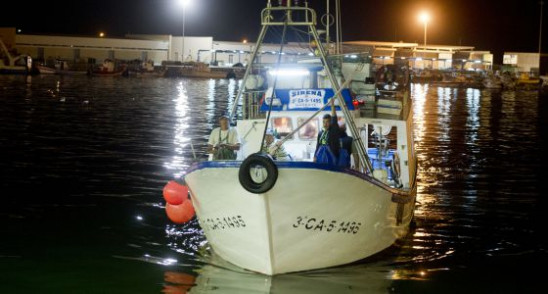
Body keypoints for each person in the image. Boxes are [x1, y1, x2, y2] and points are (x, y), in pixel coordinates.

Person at [314, 99, 340, 165]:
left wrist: (332, 105)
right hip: (320, 157)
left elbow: (334, 117)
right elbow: (318, 145)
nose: (325, 124)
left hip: (331, 158)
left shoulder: (333, 130)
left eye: (327, 122)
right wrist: (314, 156)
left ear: (331, 122)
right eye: (324, 122)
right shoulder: (321, 133)